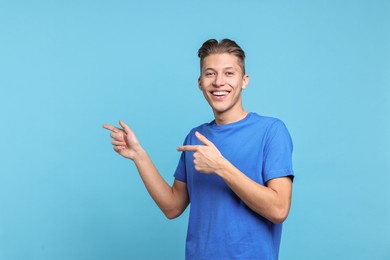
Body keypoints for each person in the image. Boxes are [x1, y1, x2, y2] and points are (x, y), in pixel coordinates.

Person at [103, 39, 294, 260]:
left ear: (244, 81)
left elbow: (279, 210)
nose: (219, 82)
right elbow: (172, 207)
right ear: (200, 82)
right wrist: (139, 155)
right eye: (210, 74)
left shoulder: (271, 131)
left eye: (229, 73)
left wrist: (221, 167)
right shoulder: (196, 137)